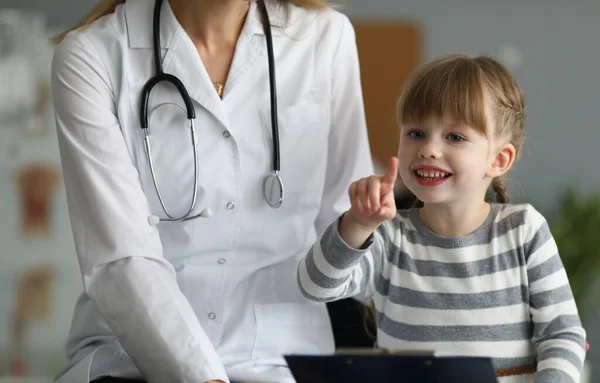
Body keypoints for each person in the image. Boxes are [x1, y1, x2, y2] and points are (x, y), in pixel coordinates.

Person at [50, 0, 374, 381]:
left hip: (279, 359)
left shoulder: (324, 38)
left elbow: (349, 226)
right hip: (132, 363)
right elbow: (122, 258)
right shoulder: (93, 55)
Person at [297, 54, 588, 382]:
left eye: (455, 137)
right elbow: (315, 286)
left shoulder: (523, 230)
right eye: (416, 133)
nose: (429, 149)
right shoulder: (390, 238)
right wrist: (358, 224)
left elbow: (562, 335)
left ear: (499, 159)